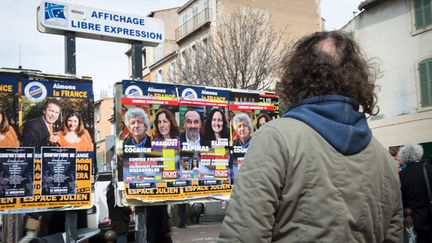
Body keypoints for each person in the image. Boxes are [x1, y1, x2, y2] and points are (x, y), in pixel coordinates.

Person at [219, 31, 403, 242]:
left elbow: (244, 234)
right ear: (356, 79)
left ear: (298, 76)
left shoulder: (275, 139)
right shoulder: (385, 160)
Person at [399, 144, 432, 243]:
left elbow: (400, 200)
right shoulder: (430, 169)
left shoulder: (401, 175)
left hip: (414, 221)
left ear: (404, 156)